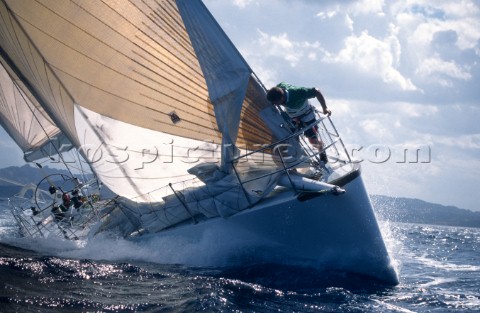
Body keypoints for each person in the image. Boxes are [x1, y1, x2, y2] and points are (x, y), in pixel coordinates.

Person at [266, 82, 331, 163]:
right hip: (292, 117)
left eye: (275, 103)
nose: (274, 104)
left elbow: (316, 91)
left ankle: (322, 152)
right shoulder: (279, 88)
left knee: (312, 141)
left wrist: (325, 108)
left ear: (282, 98)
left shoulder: (298, 92)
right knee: (290, 138)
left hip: (307, 115)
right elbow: (275, 91)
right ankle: (297, 158)